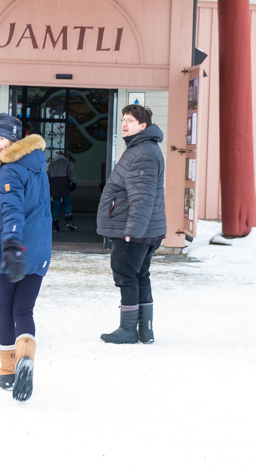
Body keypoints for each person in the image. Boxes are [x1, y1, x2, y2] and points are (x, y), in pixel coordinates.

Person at [0, 112, 52, 401]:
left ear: (14, 140)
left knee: (6, 310)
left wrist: (11, 243)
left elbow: (12, 210)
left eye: (2, 138)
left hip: (13, 249)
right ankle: (27, 359)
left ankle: (9, 370)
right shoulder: (37, 167)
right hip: (39, 251)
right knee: (24, 311)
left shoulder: (10, 170)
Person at [96, 104, 166, 344]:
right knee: (140, 276)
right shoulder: (143, 148)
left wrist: (133, 230)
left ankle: (128, 330)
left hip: (135, 231)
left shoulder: (142, 152)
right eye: (123, 120)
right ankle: (145, 331)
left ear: (142, 126)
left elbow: (142, 196)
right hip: (146, 230)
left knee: (127, 276)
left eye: (129, 120)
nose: (124, 124)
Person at [47, 151, 77, 232]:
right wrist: (73, 183)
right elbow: (71, 174)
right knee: (67, 203)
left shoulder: (51, 165)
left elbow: (47, 176)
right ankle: (69, 222)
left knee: (56, 205)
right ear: (66, 158)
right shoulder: (68, 164)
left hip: (54, 187)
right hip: (65, 186)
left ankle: (54, 226)